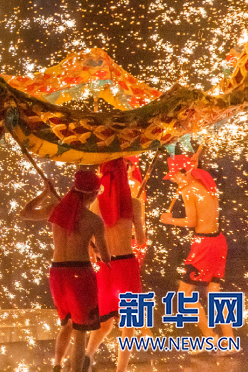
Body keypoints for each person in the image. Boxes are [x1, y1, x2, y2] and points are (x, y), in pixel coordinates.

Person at [21, 169, 109, 372]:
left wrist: (44, 193)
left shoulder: (56, 210)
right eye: (96, 192)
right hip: (80, 275)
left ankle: (57, 365)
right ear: (90, 194)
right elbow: (105, 258)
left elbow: (25, 213)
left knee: (67, 324)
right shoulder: (94, 221)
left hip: (57, 274)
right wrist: (97, 246)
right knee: (81, 331)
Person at [160, 152, 234, 345]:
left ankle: (210, 337)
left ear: (185, 172)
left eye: (175, 176)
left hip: (204, 245)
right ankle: (228, 341)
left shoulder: (189, 190)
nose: (174, 181)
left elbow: (192, 221)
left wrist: (170, 220)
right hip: (218, 241)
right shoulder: (208, 184)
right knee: (214, 292)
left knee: (184, 294)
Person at [84, 159, 147, 371]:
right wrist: (136, 225)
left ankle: (87, 356)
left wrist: (94, 248)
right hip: (127, 266)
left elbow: (88, 242)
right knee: (129, 323)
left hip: (104, 267)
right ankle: (121, 369)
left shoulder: (95, 205)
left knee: (104, 323)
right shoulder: (135, 204)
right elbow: (140, 240)